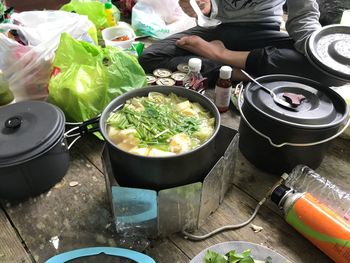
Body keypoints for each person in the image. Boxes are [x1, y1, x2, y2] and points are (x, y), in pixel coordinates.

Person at [138, 0, 343, 86]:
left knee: (331, 72)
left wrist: (317, 51)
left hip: (263, 34)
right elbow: (209, 7)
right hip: (221, 29)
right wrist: (206, 7)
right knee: (150, 57)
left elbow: (303, 17)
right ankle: (245, 71)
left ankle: (222, 56)